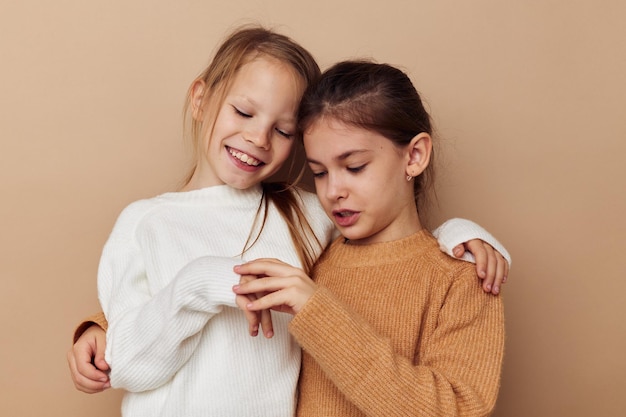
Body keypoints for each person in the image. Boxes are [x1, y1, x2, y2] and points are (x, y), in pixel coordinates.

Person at [67, 26, 510, 415]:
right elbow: (128, 348)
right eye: (318, 172)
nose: (258, 137)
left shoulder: (307, 217)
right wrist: (104, 325)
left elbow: (396, 245)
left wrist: (461, 236)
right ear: (201, 99)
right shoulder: (147, 222)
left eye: (282, 131)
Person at [232, 60, 506, 416]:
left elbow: (456, 410)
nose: (333, 191)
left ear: (415, 155)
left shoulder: (463, 277)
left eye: (355, 167)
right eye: (319, 172)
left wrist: (321, 316)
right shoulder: (311, 257)